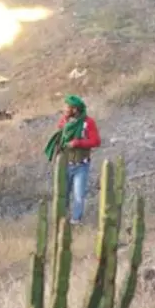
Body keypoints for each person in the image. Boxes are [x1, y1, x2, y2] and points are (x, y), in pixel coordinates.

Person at [43, 95, 102, 225]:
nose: (64, 109)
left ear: (75, 109)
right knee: (62, 194)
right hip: (65, 164)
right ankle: (62, 220)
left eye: (67, 107)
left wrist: (78, 143)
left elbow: (96, 141)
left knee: (78, 195)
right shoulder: (65, 121)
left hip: (81, 165)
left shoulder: (88, 123)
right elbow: (61, 135)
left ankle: (76, 221)